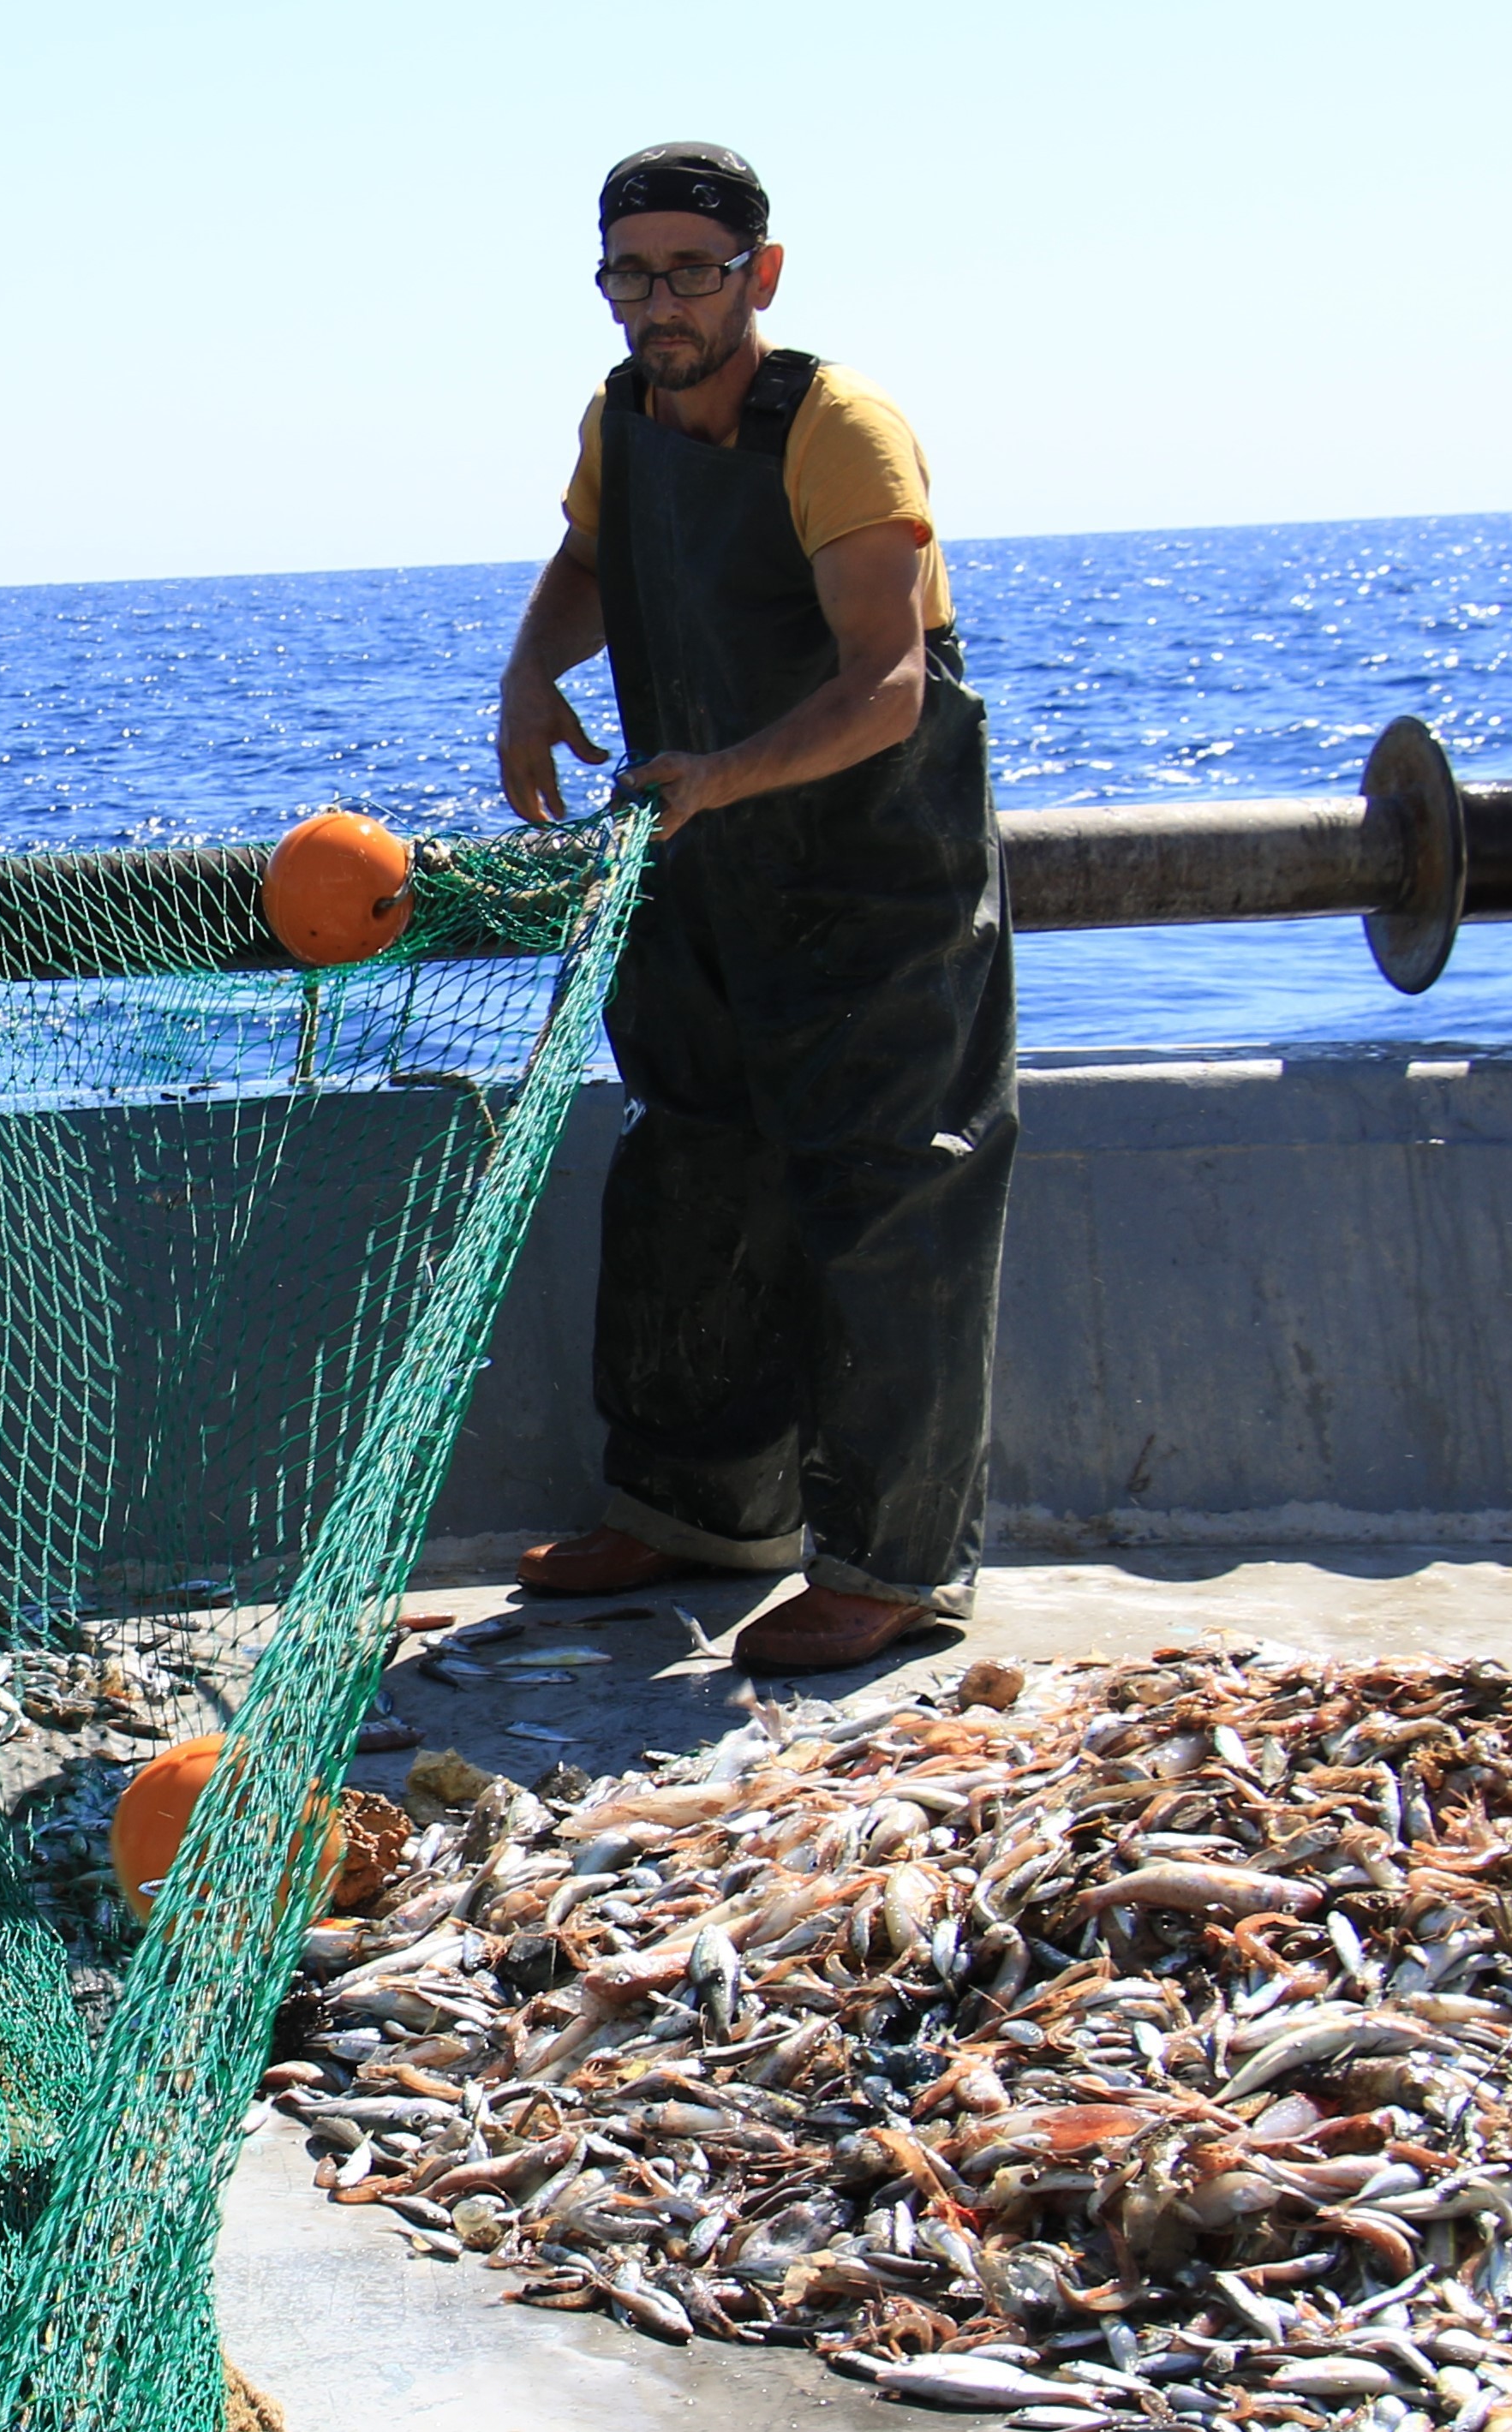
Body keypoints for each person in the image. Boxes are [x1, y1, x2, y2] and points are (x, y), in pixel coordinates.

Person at [492, 141, 1013, 1672]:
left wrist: (722, 772)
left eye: (690, 272)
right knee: (691, 1168)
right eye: (628, 273)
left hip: (873, 880)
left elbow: (887, 688)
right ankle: (695, 1508)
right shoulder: (619, 416)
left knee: (885, 1192)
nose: (658, 302)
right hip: (701, 868)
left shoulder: (841, 430)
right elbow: (588, 560)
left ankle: (890, 1566)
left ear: (759, 277)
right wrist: (532, 676)